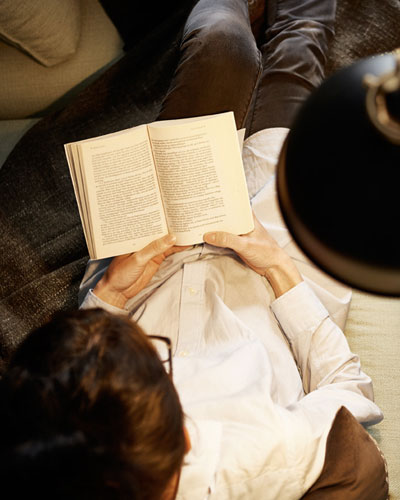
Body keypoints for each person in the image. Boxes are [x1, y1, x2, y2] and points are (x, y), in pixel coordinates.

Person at [0, 0, 389, 498]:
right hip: (271, 256)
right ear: (185, 440)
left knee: (219, 42)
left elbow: (70, 377)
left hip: (151, 254)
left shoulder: (57, 454)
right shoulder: (266, 457)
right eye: (153, 358)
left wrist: (111, 294)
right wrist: (277, 267)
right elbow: (350, 393)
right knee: (298, 48)